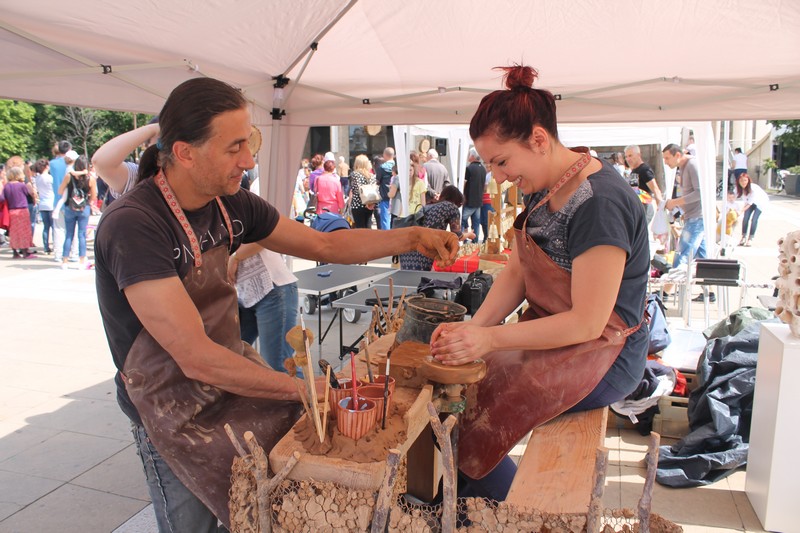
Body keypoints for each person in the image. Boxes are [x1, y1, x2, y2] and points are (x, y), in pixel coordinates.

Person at [93, 77, 458, 532]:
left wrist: (411, 236)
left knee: (263, 502)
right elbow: (194, 356)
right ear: (185, 152)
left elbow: (322, 246)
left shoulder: (231, 203)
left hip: (227, 375)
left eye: (250, 142)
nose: (248, 160)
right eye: (234, 147)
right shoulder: (135, 224)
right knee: (195, 525)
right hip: (169, 402)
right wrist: (305, 389)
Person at [429, 65, 649, 500]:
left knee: (472, 409)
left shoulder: (598, 202)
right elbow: (517, 270)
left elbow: (587, 323)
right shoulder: (545, 183)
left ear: (539, 139)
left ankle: (519, 514)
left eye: (501, 161)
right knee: (454, 396)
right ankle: (474, 497)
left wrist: (491, 341)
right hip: (557, 331)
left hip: (606, 350)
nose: (496, 175)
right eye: (490, 164)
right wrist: (476, 328)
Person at [662, 144, 712, 302]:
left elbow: (699, 192)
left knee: (682, 255)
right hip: (693, 216)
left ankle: (665, 292)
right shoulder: (684, 167)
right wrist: (680, 211)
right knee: (701, 258)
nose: (665, 162)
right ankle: (709, 292)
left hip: (697, 217)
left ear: (678, 155)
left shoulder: (691, 165)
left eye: (667, 158)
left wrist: (675, 202)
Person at [398, 185, 475, 271]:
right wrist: (469, 234)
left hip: (407, 250)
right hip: (424, 251)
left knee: (408, 281)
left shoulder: (429, 206)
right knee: (421, 280)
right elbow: (458, 236)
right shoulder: (452, 207)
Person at [58, 155, 96, 270]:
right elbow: (94, 196)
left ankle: (65, 260)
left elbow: (60, 190)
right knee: (82, 234)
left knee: (69, 234)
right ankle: (81, 260)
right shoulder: (91, 178)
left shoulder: (69, 176)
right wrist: (87, 202)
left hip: (70, 207)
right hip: (84, 208)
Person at [0, 166, 37, 258]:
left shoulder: (7, 186)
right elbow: (29, 194)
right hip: (22, 210)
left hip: (11, 211)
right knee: (24, 231)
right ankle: (25, 252)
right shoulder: (22, 185)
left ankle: (15, 252)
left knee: (13, 232)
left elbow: (2, 198)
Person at [624, 145, 664, 224]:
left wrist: (661, 211)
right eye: (626, 156)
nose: (628, 159)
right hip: (636, 210)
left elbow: (655, 189)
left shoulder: (644, 170)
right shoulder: (634, 170)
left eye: (630, 155)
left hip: (644, 208)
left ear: (638, 155)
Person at [734, 172, 769, 246]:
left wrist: (740, 211)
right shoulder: (738, 188)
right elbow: (732, 196)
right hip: (749, 203)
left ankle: (751, 238)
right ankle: (743, 237)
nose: (743, 182)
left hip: (760, 203)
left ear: (748, 180)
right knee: (745, 218)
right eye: (741, 181)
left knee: (754, 220)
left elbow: (750, 203)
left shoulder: (753, 188)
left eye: (745, 180)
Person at [461, 147, 486, 242]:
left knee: (462, 220)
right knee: (476, 222)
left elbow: (464, 183)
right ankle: (475, 242)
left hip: (470, 200)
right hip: (479, 200)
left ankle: (463, 239)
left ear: (472, 156)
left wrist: (462, 195)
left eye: (469, 154)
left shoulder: (469, 168)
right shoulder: (483, 169)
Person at [348, 154, 377, 228]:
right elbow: (374, 189)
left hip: (358, 204)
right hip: (370, 204)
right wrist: (369, 203)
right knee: (368, 226)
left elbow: (357, 189)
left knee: (360, 228)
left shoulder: (355, 174)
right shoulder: (372, 175)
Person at [33, 159, 55, 253]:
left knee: (46, 227)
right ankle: (55, 245)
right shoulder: (50, 178)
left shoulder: (37, 178)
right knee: (54, 227)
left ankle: (46, 247)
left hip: (42, 204)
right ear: (46, 166)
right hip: (51, 203)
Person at [375, 147, 395, 229]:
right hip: (396, 196)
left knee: (385, 219)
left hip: (385, 196)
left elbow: (378, 181)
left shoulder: (382, 168)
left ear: (384, 155)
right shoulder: (398, 167)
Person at [407, 151, 428, 215]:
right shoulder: (422, 169)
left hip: (415, 212)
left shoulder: (419, 182)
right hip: (409, 212)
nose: (409, 172)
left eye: (410, 170)